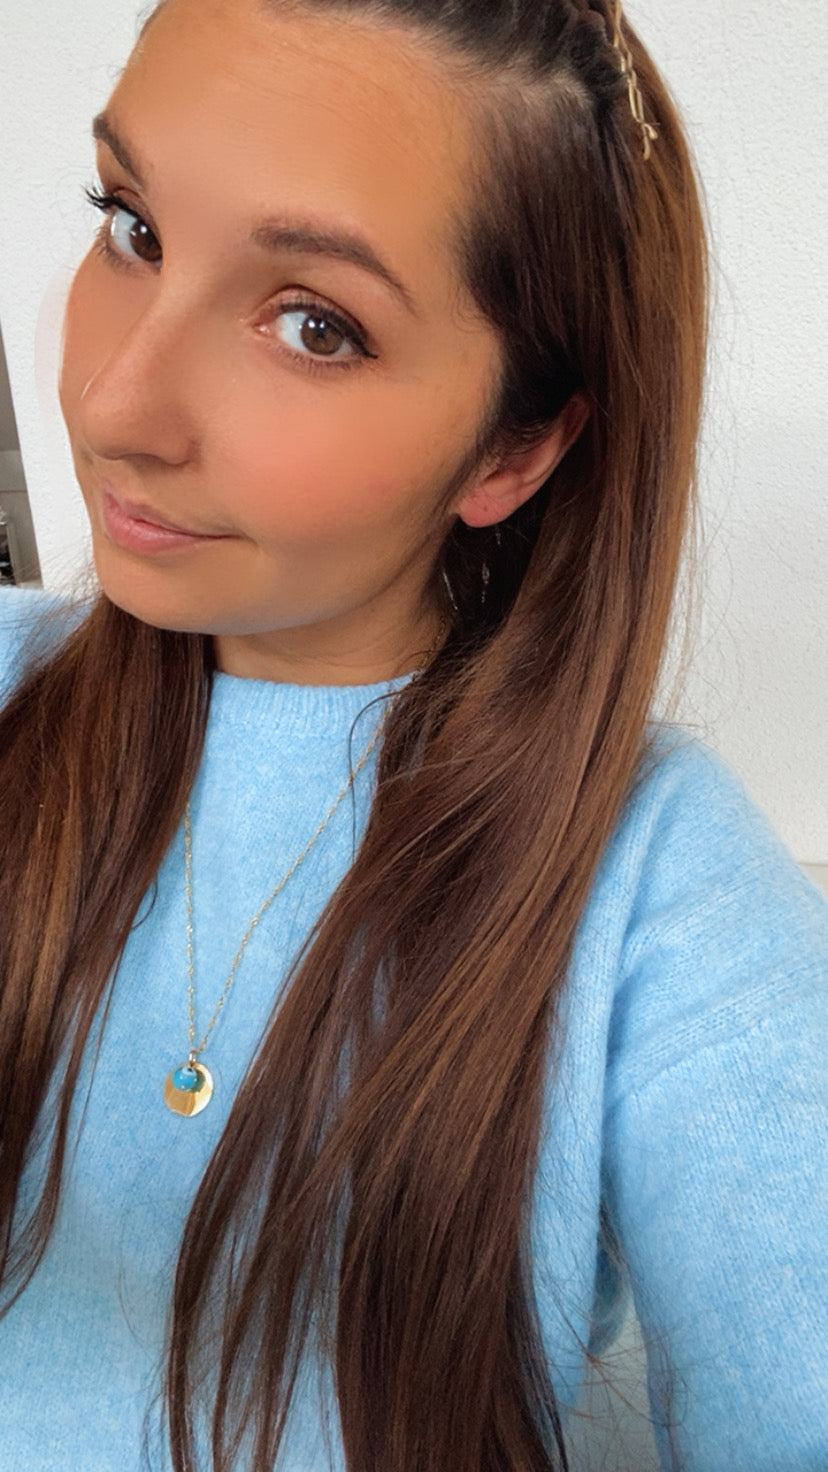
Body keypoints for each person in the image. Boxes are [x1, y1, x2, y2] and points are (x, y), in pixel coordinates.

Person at [0, 0, 825, 1469]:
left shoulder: (652, 890)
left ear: (516, 445)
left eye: (314, 325)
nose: (118, 406)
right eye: (133, 227)